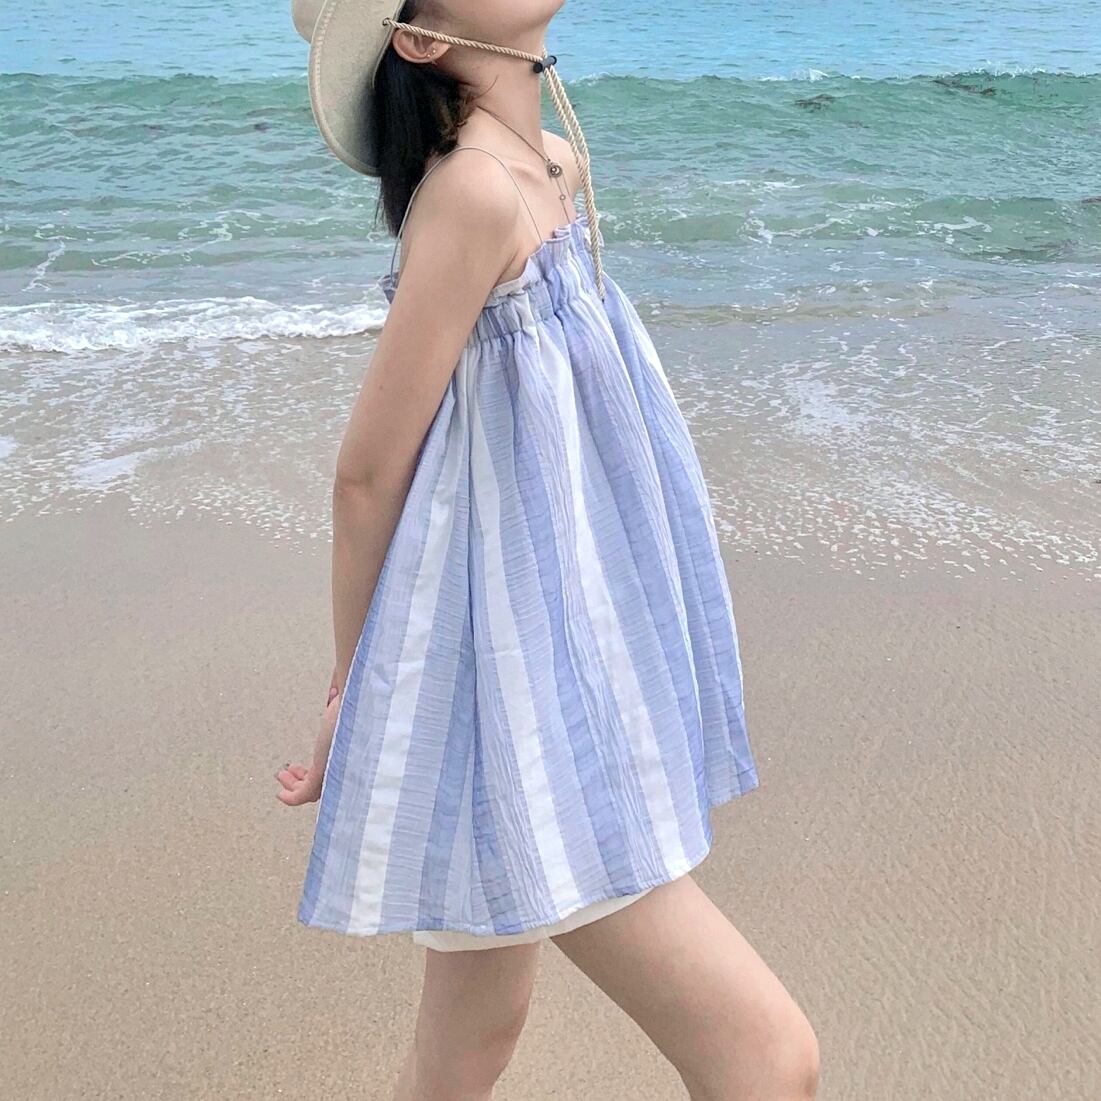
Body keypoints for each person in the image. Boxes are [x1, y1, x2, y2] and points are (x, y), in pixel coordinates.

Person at [276, 2, 819, 1098]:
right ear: (419, 39)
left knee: (468, 1041)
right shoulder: (474, 194)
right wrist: (352, 690)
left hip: (558, 641)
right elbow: (368, 474)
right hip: (525, 695)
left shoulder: (551, 164)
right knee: (771, 1059)